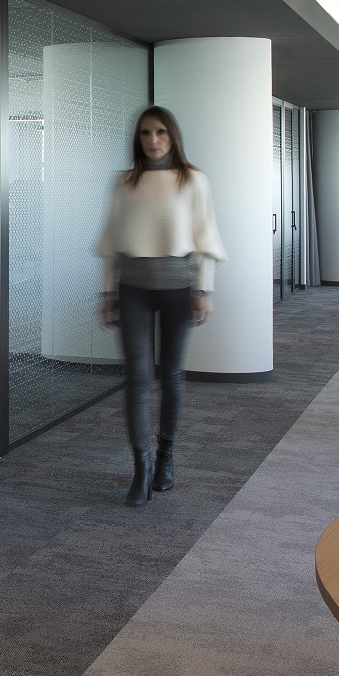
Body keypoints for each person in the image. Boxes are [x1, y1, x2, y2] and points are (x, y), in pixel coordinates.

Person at [96, 106, 226, 508]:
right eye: (146, 133)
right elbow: (111, 241)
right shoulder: (125, 183)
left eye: (161, 133)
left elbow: (204, 238)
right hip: (132, 285)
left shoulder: (192, 180)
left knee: (170, 375)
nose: (153, 140)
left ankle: (167, 456)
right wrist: (107, 292)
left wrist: (203, 289)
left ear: (173, 137)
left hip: (177, 286)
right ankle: (142, 466)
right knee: (137, 377)